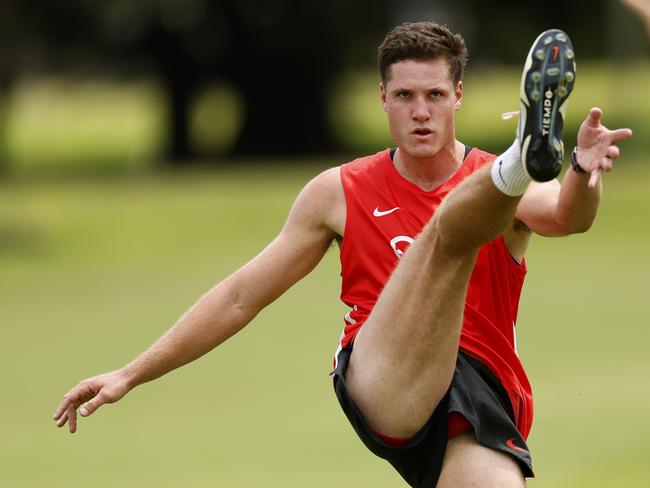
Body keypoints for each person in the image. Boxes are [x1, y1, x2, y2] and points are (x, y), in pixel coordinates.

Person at [54, 22, 633, 487]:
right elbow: (239, 297)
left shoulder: (491, 182)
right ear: (382, 97)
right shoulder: (339, 191)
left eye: (435, 95)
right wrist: (130, 373)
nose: (421, 111)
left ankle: (525, 154)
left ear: (458, 95)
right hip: (382, 378)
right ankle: (521, 153)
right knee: (448, 238)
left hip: (478, 398)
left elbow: (567, 217)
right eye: (404, 96)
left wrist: (582, 171)